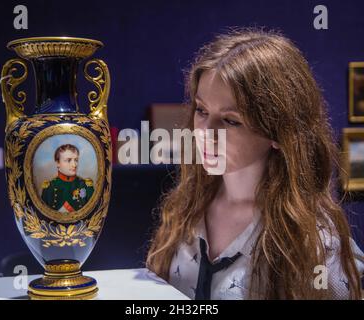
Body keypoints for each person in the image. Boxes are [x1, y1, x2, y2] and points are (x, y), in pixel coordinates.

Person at [146, 28, 364, 299]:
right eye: (202, 111)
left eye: (231, 120)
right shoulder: (186, 206)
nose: (205, 132)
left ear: (277, 132)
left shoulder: (314, 241)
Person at [41, 144, 94, 213]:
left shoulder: (85, 185)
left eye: (76, 160)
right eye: (68, 160)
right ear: (58, 163)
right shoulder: (49, 187)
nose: (74, 165)